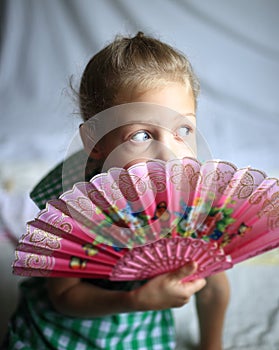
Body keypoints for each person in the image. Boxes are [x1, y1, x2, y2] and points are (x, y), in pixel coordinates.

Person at [4, 32, 230, 350]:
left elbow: (214, 288)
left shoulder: (191, 201)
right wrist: (138, 299)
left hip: (141, 327)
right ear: (95, 143)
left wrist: (212, 345)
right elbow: (65, 298)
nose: (169, 156)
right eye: (140, 135)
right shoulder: (71, 204)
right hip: (67, 328)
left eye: (183, 130)